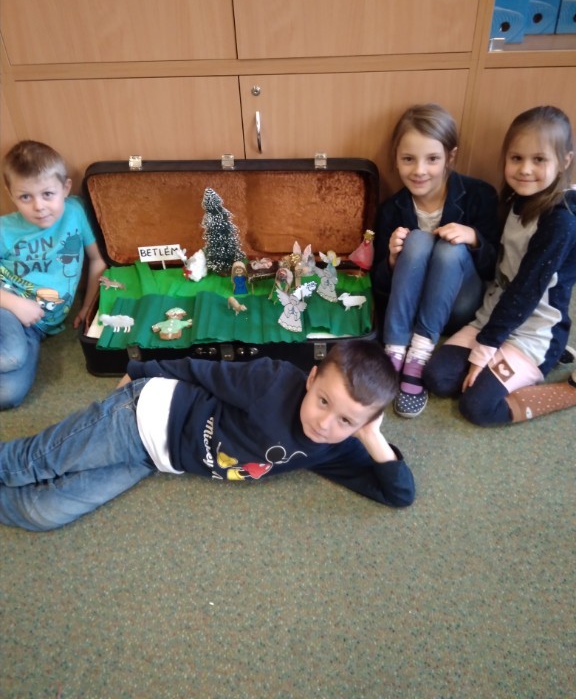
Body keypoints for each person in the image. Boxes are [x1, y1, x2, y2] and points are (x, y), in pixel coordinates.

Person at [0, 340, 415, 532]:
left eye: (346, 420)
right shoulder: (272, 381)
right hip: (141, 414)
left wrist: (371, 438)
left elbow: (398, 494)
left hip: (153, 458)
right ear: (311, 379)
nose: (325, 424)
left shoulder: (334, 448)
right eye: (323, 401)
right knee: (32, 463)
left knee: (42, 513)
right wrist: (139, 372)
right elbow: (204, 370)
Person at [424, 105, 576, 426]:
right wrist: (475, 240)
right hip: (494, 316)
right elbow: (499, 265)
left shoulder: (560, 221)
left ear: (564, 161)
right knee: (439, 378)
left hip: (533, 331)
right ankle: (503, 360)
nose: (525, 169)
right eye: (516, 158)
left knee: (477, 407)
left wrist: (485, 350)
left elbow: (525, 293)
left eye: (539, 159)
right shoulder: (513, 200)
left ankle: (568, 390)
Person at [371, 104, 500, 419]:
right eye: (408, 159)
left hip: (458, 306)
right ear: (395, 158)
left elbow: (493, 269)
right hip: (409, 308)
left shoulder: (479, 195)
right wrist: (392, 259)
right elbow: (379, 286)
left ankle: (419, 356)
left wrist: (473, 238)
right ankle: (395, 351)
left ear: (450, 157)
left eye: (432, 159)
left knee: (449, 248)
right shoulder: (391, 209)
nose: (419, 171)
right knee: (416, 241)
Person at [0, 140, 106, 410]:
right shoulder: (4, 229)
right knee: (12, 357)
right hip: (6, 306)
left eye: (47, 194)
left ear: (65, 188)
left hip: (37, 327)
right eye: (25, 197)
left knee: (9, 395)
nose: (39, 206)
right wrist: (14, 303)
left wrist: (88, 306)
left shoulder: (75, 212)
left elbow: (97, 260)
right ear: (10, 194)